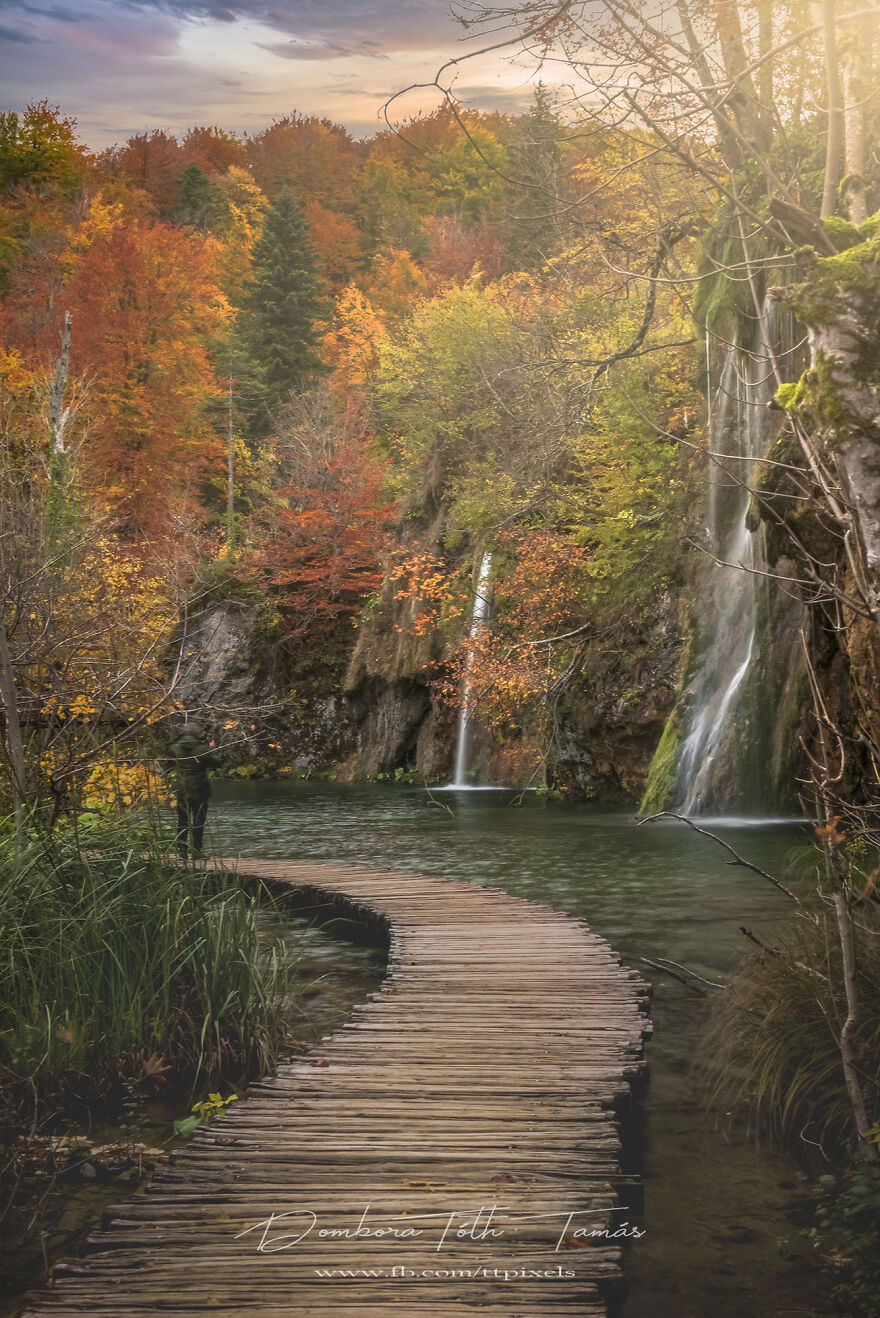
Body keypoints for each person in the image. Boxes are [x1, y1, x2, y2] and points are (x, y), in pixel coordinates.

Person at [170, 722, 218, 860]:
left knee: (182, 821)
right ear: (197, 734)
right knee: (198, 821)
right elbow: (216, 763)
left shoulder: (175, 748)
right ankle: (196, 851)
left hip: (182, 788)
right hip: (199, 789)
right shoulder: (202, 749)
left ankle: (182, 852)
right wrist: (211, 749)